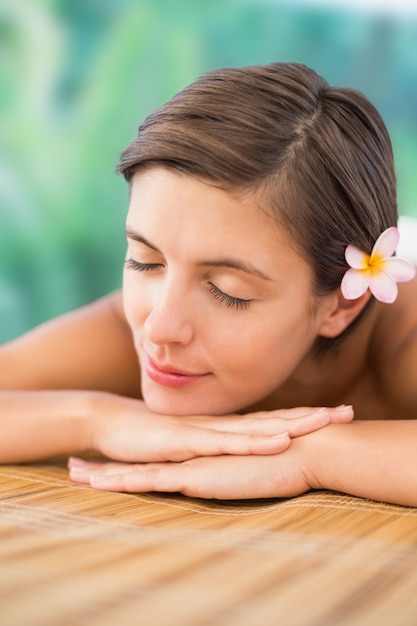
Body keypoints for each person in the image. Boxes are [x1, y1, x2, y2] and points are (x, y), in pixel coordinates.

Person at [1, 62, 416, 506]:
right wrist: (96, 419)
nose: (160, 327)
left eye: (226, 291)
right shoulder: (137, 324)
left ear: (341, 306)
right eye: (145, 262)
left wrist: (308, 454)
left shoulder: (402, 339)